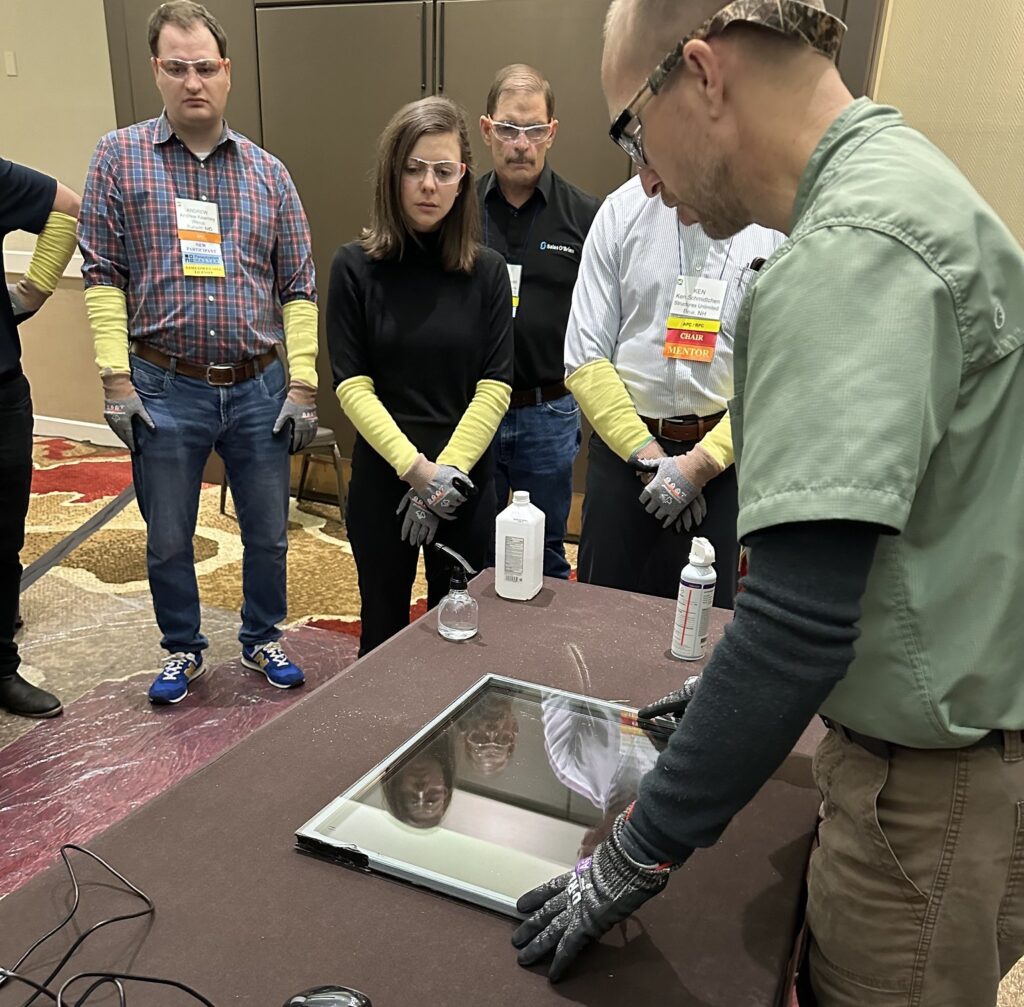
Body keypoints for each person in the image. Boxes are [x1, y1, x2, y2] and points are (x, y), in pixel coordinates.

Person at [510, 0, 1024, 1001]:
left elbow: (796, 624)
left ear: (702, 74)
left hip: (926, 782)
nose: (644, 176)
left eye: (633, 132)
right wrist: (722, 686)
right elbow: (901, 534)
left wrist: (631, 853)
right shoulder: (903, 180)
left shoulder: (845, 251)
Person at [78, 0, 318, 705]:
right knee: (167, 537)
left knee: (268, 534)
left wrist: (303, 384)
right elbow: (101, 275)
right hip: (163, 386)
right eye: (177, 67)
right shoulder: (118, 158)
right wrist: (115, 379)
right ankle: (182, 647)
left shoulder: (269, 173)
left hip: (258, 386)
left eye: (205, 67)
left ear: (227, 72)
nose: (193, 81)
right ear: (156, 70)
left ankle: (262, 635)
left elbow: (299, 286)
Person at [328, 97, 513, 657]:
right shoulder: (353, 267)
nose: (428, 185)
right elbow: (352, 386)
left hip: (464, 484)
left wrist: (444, 477)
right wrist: (417, 473)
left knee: (456, 636)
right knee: (381, 629)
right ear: (393, 174)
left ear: (462, 179)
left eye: (443, 170)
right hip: (386, 479)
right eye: (414, 169)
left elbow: (495, 386)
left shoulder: (488, 272)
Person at [565, 175, 781, 604]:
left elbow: (776, 372)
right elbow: (584, 358)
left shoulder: (770, 221)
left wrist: (698, 466)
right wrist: (651, 459)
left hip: (722, 463)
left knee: (706, 621)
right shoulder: (622, 211)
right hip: (624, 456)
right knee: (601, 614)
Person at [478, 65, 601, 579]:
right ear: (487, 130)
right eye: (509, 128)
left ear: (551, 132)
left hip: (548, 410)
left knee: (546, 551)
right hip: (474, 410)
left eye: (532, 129)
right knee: (474, 547)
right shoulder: (459, 210)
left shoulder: (585, 216)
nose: (520, 144)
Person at [0, 160, 80, 719]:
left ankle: (0, 668)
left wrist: (29, 294)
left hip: (1, 390)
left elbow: (66, 207)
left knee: (2, 536)